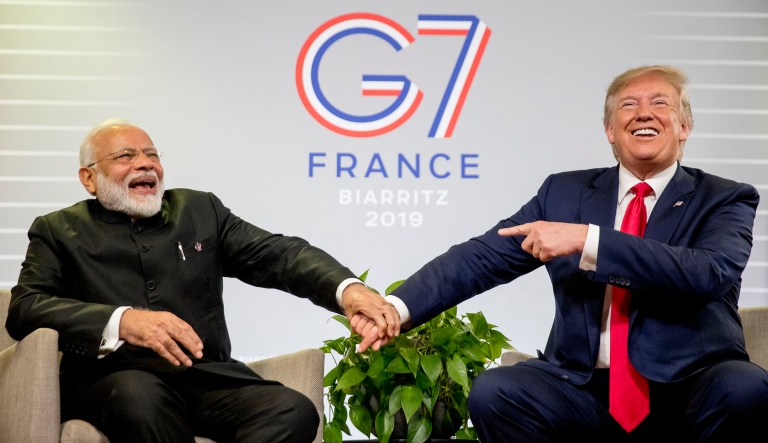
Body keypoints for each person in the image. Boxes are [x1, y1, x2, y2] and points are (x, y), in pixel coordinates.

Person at [354, 65, 768, 442]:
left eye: (660, 103)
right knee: (497, 392)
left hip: (688, 389)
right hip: (582, 392)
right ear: (610, 129)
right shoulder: (564, 193)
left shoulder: (724, 198)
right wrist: (395, 307)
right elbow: (482, 257)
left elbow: (706, 272)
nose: (644, 113)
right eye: (629, 105)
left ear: (684, 127)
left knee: (744, 388)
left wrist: (590, 241)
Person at [6, 118, 400, 443]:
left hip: (205, 379)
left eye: (152, 154)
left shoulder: (198, 210)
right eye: (126, 156)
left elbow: (279, 255)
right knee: (138, 397)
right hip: (112, 382)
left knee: (292, 410)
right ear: (89, 178)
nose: (145, 164)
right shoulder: (58, 230)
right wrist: (123, 320)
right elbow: (25, 307)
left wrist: (349, 290)